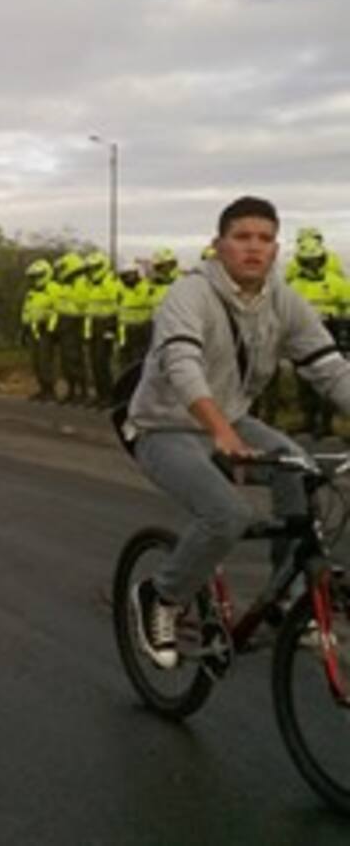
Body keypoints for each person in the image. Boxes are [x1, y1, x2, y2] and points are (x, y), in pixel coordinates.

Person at [127, 196, 350, 670]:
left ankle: (287, 597)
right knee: (227, 514)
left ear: (276, 249)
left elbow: (329, 368)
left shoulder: (283, 300)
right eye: (242, 237)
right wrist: (220, 431)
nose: (254, 247)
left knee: (301, 471)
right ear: (218, 244)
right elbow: (182, 364)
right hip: (165, 426)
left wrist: (230, 428)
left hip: (233, 419)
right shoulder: (189, 294)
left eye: (265, 238)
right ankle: (161, 596)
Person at [288, 236, 345, 437]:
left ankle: (327, 424)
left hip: (331, 333)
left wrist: (341, 324)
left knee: (330, 380)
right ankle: (308, 421)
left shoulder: (337, 282)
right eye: (308, 261)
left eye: (315, 261)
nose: (312, 265)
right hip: (301, 337)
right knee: (304, 382)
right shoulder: (294, 286)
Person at [49, 252, 90, 405]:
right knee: (66, 361)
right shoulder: (65, 285)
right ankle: (71, 391)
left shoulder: (82, 283)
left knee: (76, 359)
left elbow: (84, 306)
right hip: (64, 325)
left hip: (75, 325)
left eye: (63, 268)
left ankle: (83, 392)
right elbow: (58, 307)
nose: (60, 271)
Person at [83, 251, 120, 407]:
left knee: (103, 363)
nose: (92, 271)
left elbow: (118, 308)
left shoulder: (112, 284)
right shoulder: (91, 285)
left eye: (95, 267)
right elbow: (89, 309)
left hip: (106, 326)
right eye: (90, 268)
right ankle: (100, 394)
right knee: (94, 363)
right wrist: (87, 332)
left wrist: (112, 328)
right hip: (93, 326)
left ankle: (109, 395)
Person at [20, 259, 58, 401]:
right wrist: (24, 329)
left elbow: (56, 310)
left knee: (45, 360)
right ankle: (43, 388)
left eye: (38, 275)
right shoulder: (31, 292)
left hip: (46, 330)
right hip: (33, 329)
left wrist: (51, 328)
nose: (35, 279)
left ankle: (50, 390)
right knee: (36, 361)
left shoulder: (54, 289)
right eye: (33, 276)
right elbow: (26, 310)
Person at [115, 261, 154, 368]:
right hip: (125, 331)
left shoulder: (147, 288)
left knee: (141, 361)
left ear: (137, 274)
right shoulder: (120, 289)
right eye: (124, 276)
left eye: (129, 275)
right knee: (124, 361)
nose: (127, 279)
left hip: (142, 330)